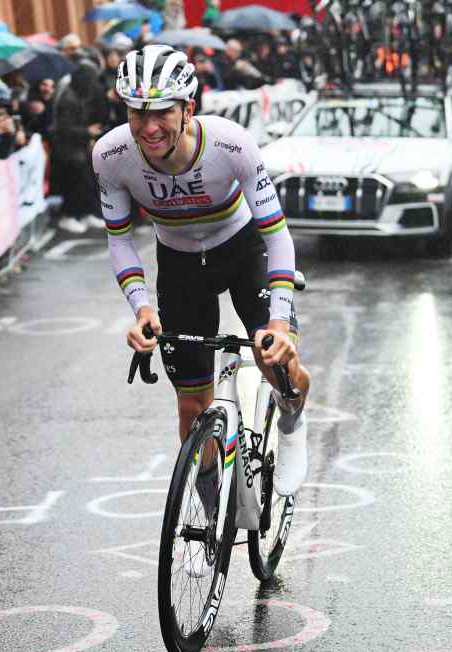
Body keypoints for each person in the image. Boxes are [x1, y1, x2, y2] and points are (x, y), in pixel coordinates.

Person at [92, 45, 311, 498]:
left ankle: (291, 422)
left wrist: (278, 322)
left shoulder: (231, 144)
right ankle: (210, 508)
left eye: (161, 113)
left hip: (243, 250)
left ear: (188, 108)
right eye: (137, 113)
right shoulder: (111, 155)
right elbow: (120, 239)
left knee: (278, 361)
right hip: (180, 263)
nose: (148, 127)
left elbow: (278, 236)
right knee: (192, 403)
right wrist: (141, 309)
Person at [52, 49, 109, 233]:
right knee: (73, 185)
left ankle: (85, 213)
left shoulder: (79, 94)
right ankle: (70, 215)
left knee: (85, 183)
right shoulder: (69, 99)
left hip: (78, 148)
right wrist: (87, 132)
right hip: (67, 150)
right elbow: (64, 128)